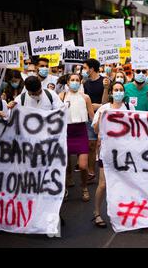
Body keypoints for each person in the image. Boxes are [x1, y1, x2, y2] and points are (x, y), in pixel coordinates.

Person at [92, 82, 135, 228]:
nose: (118, 92)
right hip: (106, 152)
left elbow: (134, 129)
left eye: (120, 90)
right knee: (103, 184)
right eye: (115, 90)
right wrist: (101, 118)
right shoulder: (104, 108)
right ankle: (97, 213)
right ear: (111, 92)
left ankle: (124, 213)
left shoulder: (129, 108)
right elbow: (96, 130)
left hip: (123, 152)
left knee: (124, 183)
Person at [60, 74, 95, 203]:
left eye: (77, 80)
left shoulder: (85, 97)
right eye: (72, 80)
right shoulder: (61, 96)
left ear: (80, 82)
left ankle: (84, 186)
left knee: (83, 166)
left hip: (81, 132)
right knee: (65, 164)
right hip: (65, 133)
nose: (75, 82)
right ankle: (65, 186)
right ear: (68, 82)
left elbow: (92, 117)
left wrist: (100, 130)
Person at [82, 59, 107, 183]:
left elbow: (107, 101)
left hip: (103, 116)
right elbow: (84, 101)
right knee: (91, 145)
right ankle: (91, 171)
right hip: (90, 117)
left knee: (102, 145)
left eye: (85, 67)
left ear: (91, 69)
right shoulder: (85, 83)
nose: (83, 70)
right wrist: (91, 107)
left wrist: (98, 105)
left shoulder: (104, 81)